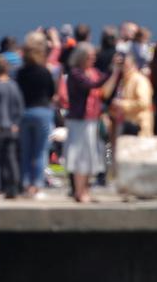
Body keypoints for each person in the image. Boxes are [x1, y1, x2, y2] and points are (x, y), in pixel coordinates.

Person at [65, 43, 120, 202]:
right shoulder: (75, 74)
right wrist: (110, 70)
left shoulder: (92, 72)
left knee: (92, 155)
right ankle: (79, 191)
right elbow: (91, 85)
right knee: (80, 156)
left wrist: (115, 73)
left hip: (92, 119)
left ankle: (86, 190)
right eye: (90, 57)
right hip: (79, 121)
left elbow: (103, 91)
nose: (93, 60)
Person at [15, 36, 55, 195]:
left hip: (25, 112)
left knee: (25, 151)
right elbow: (52, 92)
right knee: (40, 152)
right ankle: (36, 185)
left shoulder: (20, 72)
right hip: (43, 111)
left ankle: (24, 183)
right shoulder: (45, 71)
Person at [0, 55, 24, 198]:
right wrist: (16, 123)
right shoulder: (14, 85)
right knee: (11, 158)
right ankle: (13, 187)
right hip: (12, 127)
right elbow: (19, 107)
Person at [112, 53, 153, 136]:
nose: (122, 66)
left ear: (133, 64)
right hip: (127, 126)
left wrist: (121, 104)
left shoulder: (139, 80)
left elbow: (144, 103)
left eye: (125, 64)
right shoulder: (124, 80)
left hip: (139, 127)